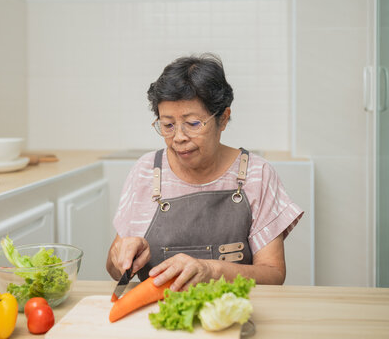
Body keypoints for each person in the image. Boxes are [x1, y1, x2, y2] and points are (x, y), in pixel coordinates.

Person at [106, 53, 303, 292]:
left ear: (223, 119)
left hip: (232, 315)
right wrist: (121, 259)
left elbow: (273, 275)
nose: (178, 137)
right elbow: (114, 268)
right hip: (159, 317)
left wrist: (213, 271)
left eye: (192, 123)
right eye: (167, 125)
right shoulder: (147, 171)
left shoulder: (256, 174)